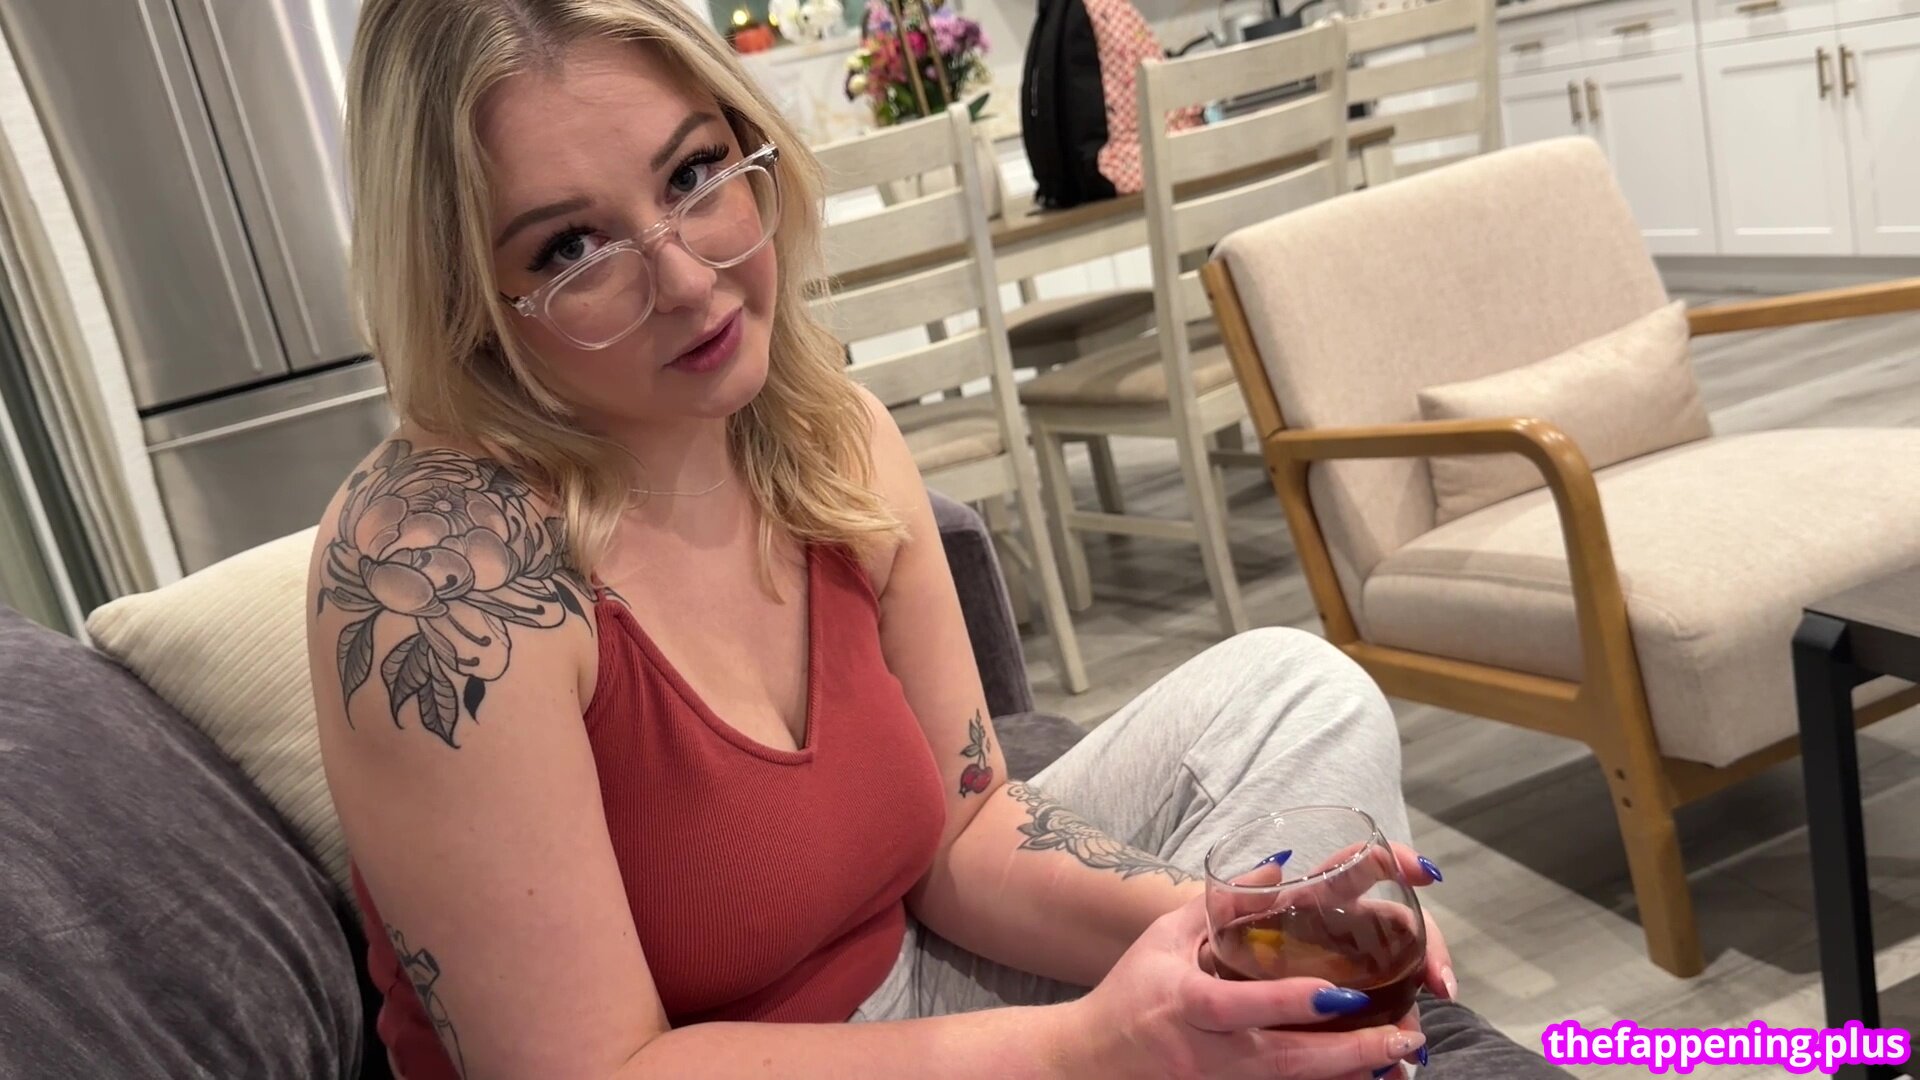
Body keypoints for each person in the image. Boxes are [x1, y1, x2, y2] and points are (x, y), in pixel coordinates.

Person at [306, 2, 1574, 1077]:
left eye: (694, 175)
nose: (688, 279)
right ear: (465, 292)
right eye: (571, 247)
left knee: (1299, 691)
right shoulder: (434, 571)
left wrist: (1224, 926)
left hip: (915, 986)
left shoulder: (828, 433)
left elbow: (965, 838)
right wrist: (1087, 1045)